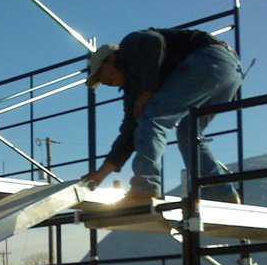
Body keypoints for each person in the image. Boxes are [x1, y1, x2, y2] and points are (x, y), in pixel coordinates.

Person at [83, 27, 244, 204]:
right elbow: (130, 134)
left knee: (153, 116)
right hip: (229, 72)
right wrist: (100, 175)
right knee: (188, 132)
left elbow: (154, 42)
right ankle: (220, 192)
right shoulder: (133, 90)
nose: (104, 82)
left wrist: (148, 91)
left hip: (208, 59)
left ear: (110, 60)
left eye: (100, 75)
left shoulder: (129, 47)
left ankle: (145, 187)